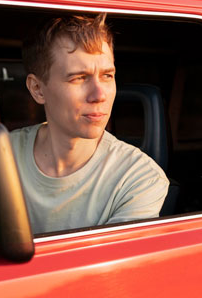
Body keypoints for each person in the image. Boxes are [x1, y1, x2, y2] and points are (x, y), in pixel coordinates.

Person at [9, 13, 169, 234]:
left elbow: (107, 266)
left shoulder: (139, 178)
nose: (99, 94)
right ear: (37, 89)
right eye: (79, 78)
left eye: (107, 76)